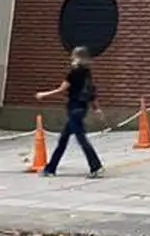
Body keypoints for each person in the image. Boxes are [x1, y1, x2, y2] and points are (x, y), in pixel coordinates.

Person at [35, 45, 104, 178]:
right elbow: (91, 92)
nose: (71, 58)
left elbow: (62, 89)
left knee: (81, 138)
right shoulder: (87, 72)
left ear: (77, 58)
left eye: (73, 55)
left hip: (74, 109)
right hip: (82, 108)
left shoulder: (74, 73)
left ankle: (96, 166)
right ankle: (50, 168)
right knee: (63, 139)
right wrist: (96, 108)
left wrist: (44, 94)